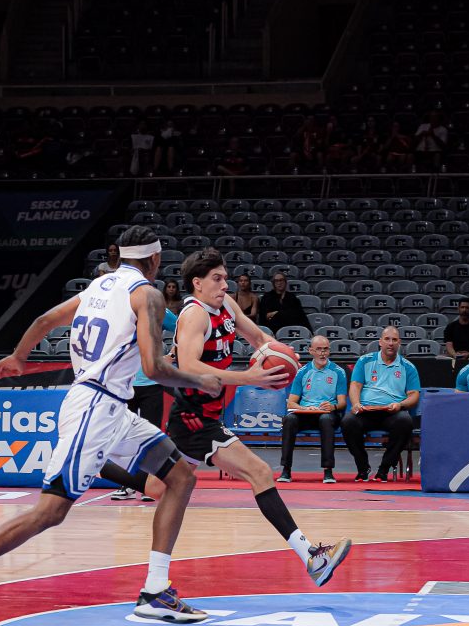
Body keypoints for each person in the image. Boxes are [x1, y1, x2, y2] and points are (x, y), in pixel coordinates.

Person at [0, 225, 224, 626]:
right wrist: (199, 380)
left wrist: (19, 356)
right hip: (95, 408)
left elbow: (45, 319)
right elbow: (153, 368)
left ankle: (155, 591)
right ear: (154, 260)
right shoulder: (147, 295)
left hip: (112, 407)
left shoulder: (99, 285)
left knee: (180, 476)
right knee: (51, 511)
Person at [166, 247, 351, 586]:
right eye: (217, 279)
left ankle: (99, 463)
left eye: (225, 277)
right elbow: (188, 366)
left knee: (157, 487)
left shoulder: (226, 304)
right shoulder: (194, 315)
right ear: (197, 283)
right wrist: (248, 377)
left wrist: (282, 353)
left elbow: (257, 336)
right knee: (261, 472)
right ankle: (312, 557)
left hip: (206, 413)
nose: (225, 284)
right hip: (194, 418)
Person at [111, 307, 178, 501]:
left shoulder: (159, 310)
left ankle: (150, 484)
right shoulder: (121, 308)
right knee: (124, 437)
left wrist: (172, 355)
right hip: (125, 385)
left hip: (151, 384)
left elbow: (183, 328)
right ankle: (128, 484)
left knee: (151, 437)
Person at [342, 326, 420, 483]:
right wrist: (356, 403)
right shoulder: (365, 361)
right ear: (380, 342)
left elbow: (414, 395)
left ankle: (383, 470)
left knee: (405, 421)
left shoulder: (408, 367)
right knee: (348, 422)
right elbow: (355, 385)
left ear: (399, 343)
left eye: (394, 340)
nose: (390, 343)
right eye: (387, 339)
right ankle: (363, 468)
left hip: (392, 413)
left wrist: (400, 405)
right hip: (366, 411)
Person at [278, 337, 347, 484]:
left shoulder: (338, 372)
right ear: (311, 351)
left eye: (325, 349)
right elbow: (291, 402)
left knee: (326, 419)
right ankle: (286, 470)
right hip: (306, 413)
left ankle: (328, 471)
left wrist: (333, 407)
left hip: (328, 414)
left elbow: (342, 403)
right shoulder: (302, 372)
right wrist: (304, 408)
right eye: (319, 349)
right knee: (289, 419)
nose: (322, 353)